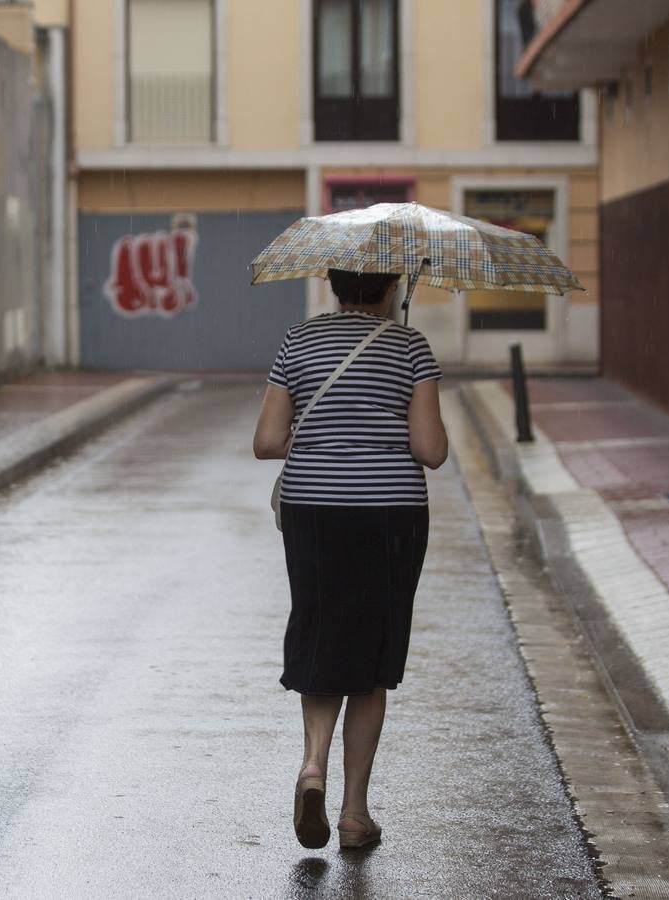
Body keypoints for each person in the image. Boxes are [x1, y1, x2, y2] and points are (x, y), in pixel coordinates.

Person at [253, 268, 448, 851]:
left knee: (321, 634)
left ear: (333, 283)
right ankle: (354, 814)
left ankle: (312, 766)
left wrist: (320, 438)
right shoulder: (410, 345)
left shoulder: (299, 340)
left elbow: (266, 441)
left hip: (314, 510)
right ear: (391, 289)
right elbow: (430, 451)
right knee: (372, 654)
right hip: (389, 513)